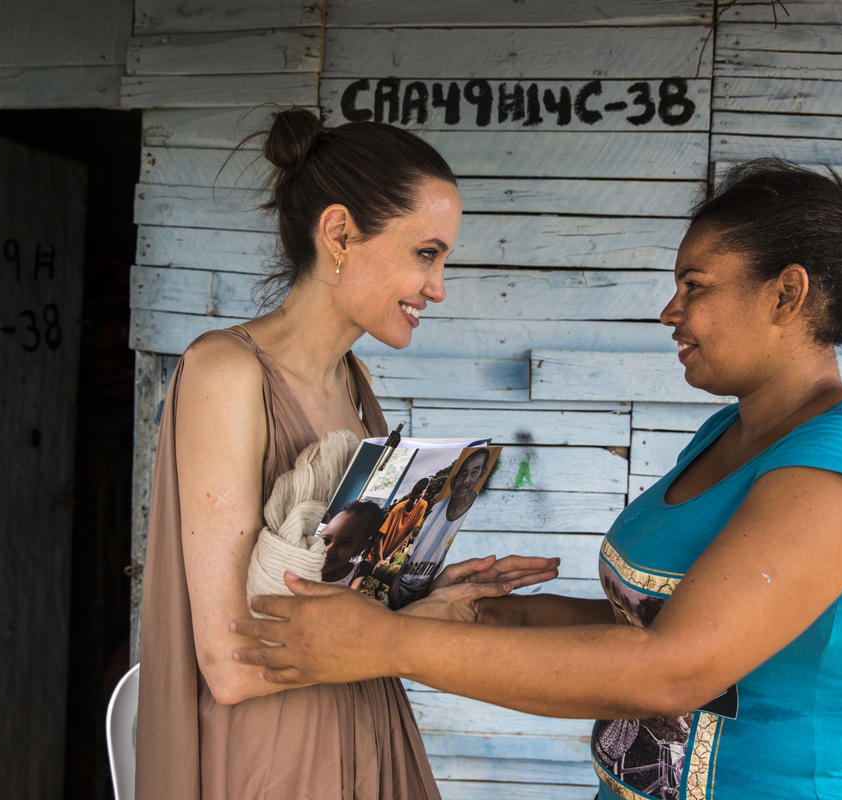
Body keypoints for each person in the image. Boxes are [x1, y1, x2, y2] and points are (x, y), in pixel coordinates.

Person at [231, 158, 842, 800]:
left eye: (696, 286)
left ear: (787, 294)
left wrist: (386, 645)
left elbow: (673, 669)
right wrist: (489, 614)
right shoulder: (731, 434)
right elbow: (655, 619)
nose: (671, 311)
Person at [134, 107, 560, 800]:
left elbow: (337, 601)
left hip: (363, 721)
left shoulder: (352, 384)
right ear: (338, 233)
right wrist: (412, 632)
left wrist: (437, 596)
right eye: (426, 254)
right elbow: (231, 663)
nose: (438, 287)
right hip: (277, 753)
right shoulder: (226, 372)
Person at [388, 448, 492, 608]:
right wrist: (395, 583)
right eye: (463, 473)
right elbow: (410, 553)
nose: (466, 480)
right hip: (401, 587)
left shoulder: (478, 514)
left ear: (482, 474)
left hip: (432, 596)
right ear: (454, 480)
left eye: (474, 473)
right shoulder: (436, 509)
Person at [367, 477, 429, 568]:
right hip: (377, 554)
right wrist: (380, 559)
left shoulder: (423, 505)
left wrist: (388, 557)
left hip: (393, 555)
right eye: (413, 499)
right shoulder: (398, 509)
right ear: (410, 495)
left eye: (419, 498)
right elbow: (380, 536)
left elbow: (409, 533)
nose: (415, 502)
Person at [320, 501, 386, 587]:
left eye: (344, 543)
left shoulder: (357, 579)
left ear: (360, 548)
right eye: (326, 539)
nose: (328, 550)